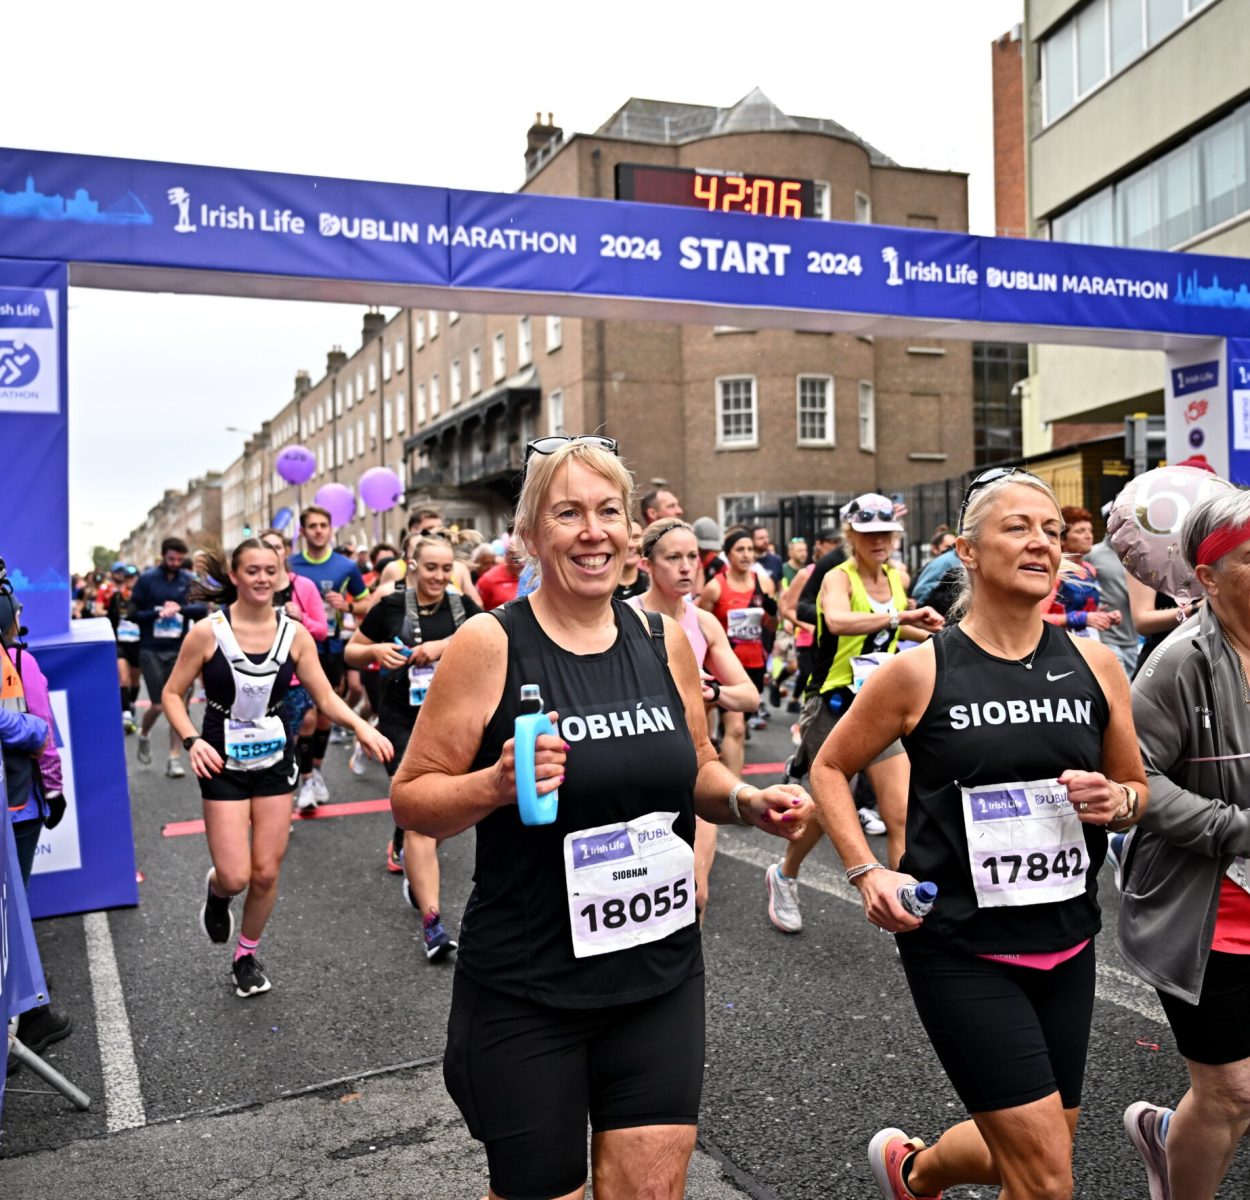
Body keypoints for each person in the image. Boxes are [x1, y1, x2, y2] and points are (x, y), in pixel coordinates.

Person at [390, 437, 812, 1200]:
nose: (593, 531)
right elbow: (413, 797)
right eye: (568, 513)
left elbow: (699, 769)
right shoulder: (491, 643)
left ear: (631, 531)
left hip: (657, 973)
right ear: (530, 535)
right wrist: (493, 784)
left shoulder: (662, 640)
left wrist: (747, 801)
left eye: (608, 511)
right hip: (529, 986)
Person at [808, 467, 1147, 1200]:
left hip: (1067, 938)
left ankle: (915, 1171)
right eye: (1018, 527)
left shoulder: (1095, 665)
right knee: (1048, 1178)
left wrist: (1114, 799)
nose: (1041, 543)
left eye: (1052, 531)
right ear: (965, 550)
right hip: (962, 947)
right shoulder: (919, 671)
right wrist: (867, 871)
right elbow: (829, 767)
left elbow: (1136, 793)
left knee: (1031, 1151)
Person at [163, 540, 392, 998]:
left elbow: (326, 697)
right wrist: (191, 741)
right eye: (252, 570)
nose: (263, 578)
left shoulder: (295, 635)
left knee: (266, 872)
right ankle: (217, 891)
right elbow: (172, 693)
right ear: (234, 576)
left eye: (271, 570)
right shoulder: (208, 633)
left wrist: (362, 727)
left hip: (274, 760)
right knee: (235, 875)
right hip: (221, 761)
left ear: (283, 576)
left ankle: (245, 955)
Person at [1119, 489, 1250, 1200]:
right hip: (1207, 913)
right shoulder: (1179, 663)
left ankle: (1172, 1136)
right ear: (1207, 576)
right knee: (1232, 1091)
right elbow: (1135, 779)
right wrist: (1237, 829)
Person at [768, 495, 944, 932]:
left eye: (887, 533)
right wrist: (900, 616)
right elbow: (841, 621)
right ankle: (785, 874)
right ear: (852, 536)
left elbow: (895, 627)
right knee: (825, 811)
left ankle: (905, 912)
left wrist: (937, 633)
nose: (880, 541)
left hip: (881, 705)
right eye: (869, 534)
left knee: (899, 813)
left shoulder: (895, 577)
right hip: (833, 702)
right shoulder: (837, 577)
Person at [346, 530, 481, 958]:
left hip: (454, 722)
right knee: (423, 816)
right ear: (412, 567)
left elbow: (497, 647)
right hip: (402, 721)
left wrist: (445, 645)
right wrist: (378, 651)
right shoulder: (388, 607)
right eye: (431, 568)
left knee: (444, 817)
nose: (439, 576)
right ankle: (433, 923)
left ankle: (412, 862)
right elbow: (350, 652)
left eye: (446, 568)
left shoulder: (465, 609)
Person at [631, 517, 760, 918]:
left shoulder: (702, 622)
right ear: (646, 564)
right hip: (635, 770)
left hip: (694, 767)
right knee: (639, 893)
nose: (687, 567)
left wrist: (712, 692)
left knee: (695, 893)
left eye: (691, 556)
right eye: (673, 558)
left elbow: (749, 695)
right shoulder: (622, 617)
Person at [1, 565, 74, 1069]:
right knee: (12, 911)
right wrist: (55, 789)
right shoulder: (20, 662)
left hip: (19, 802)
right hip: (20, 804)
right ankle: (30, 1014)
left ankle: (30, 1011)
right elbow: (41, 732)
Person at [288, 506, 370, 810]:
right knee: (305, 716)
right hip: (291, 648)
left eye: (324, 525)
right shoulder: (289, 565)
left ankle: (314, 773)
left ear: (331, 529)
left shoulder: (345, 567)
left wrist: (347, 607)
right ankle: (304, 775)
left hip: (329, 647)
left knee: (323, 715)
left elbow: (367, 604)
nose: (319, 531)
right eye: (312, 526)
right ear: (302, 532)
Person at [255, 530, 330, 795]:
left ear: (286, 551)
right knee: (274, 740)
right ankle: (276, 792)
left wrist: (301, 618)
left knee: (305, 725)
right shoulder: (253, 588)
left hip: (297, 672)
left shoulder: (304, 586)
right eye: (266, 547)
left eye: (277, 547)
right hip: (259, 677)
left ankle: (304, 780)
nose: (273, 552)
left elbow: (321, 630)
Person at [698, 528, 777, 771]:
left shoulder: (763, 583)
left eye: (750, 549)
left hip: (755, 662)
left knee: (745, 716)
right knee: (737, 728)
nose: (746, 555)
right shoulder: (715, 587)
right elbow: (699, 625)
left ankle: (715, 738)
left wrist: (772, 612)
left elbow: (771, 626)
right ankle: (733, 797)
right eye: (740, 550)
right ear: (729, 554)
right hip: (725, 666)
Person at [130, 537, 207, 778]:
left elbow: (202, 609)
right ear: (163, 556)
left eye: (179, 559)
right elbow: (132, 613)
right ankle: (144, 733)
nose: (174, 563)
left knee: (180, 704)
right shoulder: (147, 580)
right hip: (151, 648)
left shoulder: (188, 580)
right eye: (171, 558)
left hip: (180, 648)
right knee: (159, 704)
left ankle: (174, 757)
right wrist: (157, 614)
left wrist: (180, 609)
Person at [1085, 503, 1138, 677]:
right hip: (1107, 637)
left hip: (1137, 638)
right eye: (1116, 520)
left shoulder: (1139, 553)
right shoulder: (1092, 554)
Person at [107, 564, 142, 733]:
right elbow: (112, 619)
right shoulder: (117, 597)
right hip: (121, 643)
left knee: (135, 681)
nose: (130, 581)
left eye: (133, 578)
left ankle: (131, 704)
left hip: (139, 643)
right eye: (128, 578)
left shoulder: (143, 597)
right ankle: (126, 713)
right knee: (124, 679)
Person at [612, 520, 650, 601]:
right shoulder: (602, 586)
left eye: (636, 538)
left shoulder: (652, 585)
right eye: (625, 537)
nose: (630, 545)